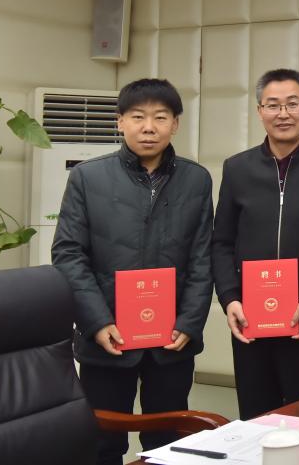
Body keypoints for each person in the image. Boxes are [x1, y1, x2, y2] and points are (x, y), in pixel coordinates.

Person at [51, 79, 213, 465]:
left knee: (168, 440)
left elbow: (203, 256)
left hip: (171, 340)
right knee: (102, 441)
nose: (149, 127)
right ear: (120, 121)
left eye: (161, 117)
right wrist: (96, 322)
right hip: (108, 337)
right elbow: (68, 254)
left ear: (176, 123)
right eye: (138, 117)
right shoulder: (88, 177)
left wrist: (189, 322)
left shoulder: (196, 179)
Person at [211, 69, 299, 419]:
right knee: (256, 418)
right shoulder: (238, 168)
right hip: (251, 319)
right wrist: (230, 298)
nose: (283, 114)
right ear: (259, 111)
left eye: (292, 104)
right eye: (273, 105)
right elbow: (221, 241)